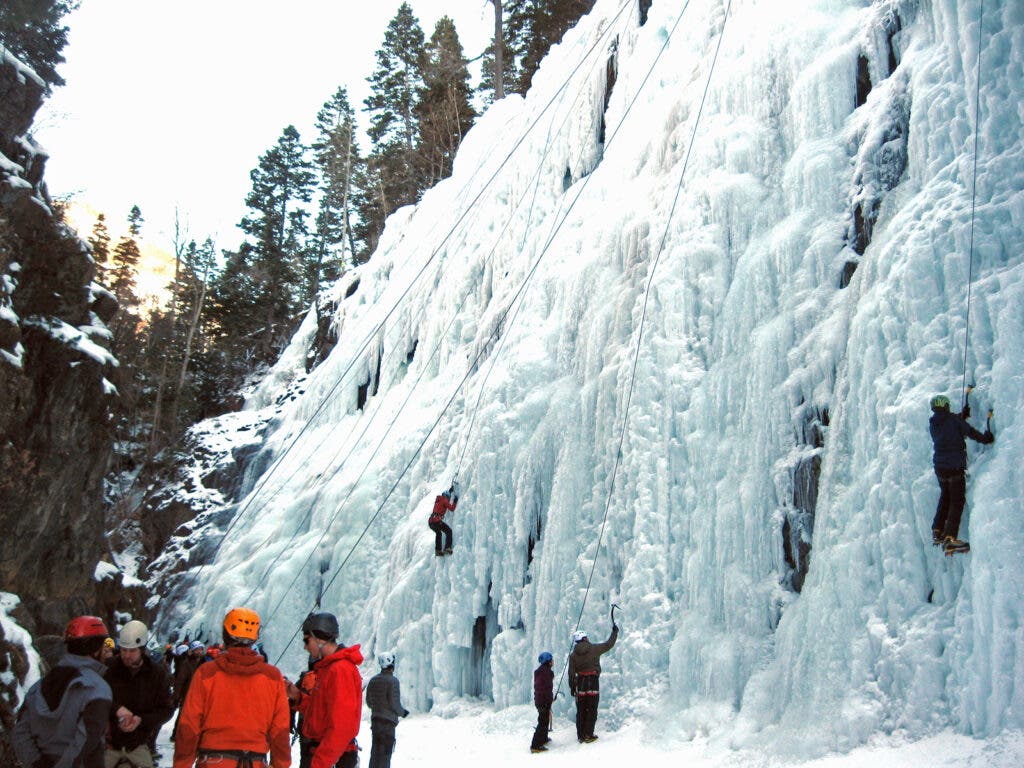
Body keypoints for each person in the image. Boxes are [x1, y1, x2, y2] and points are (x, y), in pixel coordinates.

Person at [172, 607, 291, 768]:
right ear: (254, 638)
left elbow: (189, 727)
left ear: (225, 635)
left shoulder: (206, 673)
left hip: (213, 761)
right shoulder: (273, 677)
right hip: (254, 762)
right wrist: (280, 765)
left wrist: (181, 764)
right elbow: (280, 732)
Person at [13, 615, 113, 768]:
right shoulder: (98, 689)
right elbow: (86, 742)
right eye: (103, 644)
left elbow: (20, 733)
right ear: (94, 648)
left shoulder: (38, 687)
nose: (106, 651)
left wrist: (37, 763)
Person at [286, 612, 363, 768]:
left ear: (319, 639)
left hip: (333, 759)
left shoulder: (340, 670)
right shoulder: (328, 669)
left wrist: (320, 763)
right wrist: (297, 697)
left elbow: (342, 726)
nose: (305, 647)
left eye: (307, 641)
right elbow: (322, 713)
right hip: (328, 756)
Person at [929, 394, 994, 553]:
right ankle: (950, 538)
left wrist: (961, 417)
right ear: (946, 406)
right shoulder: (953, 420)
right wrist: (986, 439)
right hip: (954, 467)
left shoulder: (934, 424)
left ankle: (937, 530)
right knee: (957, 500)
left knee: (946, 496)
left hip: (940, 468)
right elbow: (969, 432)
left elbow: (950, 426)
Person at [105, 620, 174, 768]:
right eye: (123, 650)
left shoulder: (157, 674)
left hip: (138, 745)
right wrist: (116, 709)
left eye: (132, 651)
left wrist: (141, 720)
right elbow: (96, 699)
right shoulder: (109, 669)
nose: (127, 655)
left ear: (142, 650)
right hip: (109, 745)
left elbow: (166, 709)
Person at [568, 622, 618, 743]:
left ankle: (580, 735)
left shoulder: (573, 655)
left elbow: (571, 673)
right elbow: (608, 644)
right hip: (592, 681)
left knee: (581, 710)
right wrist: (614, 632)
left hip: (580, 682)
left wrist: (572, 687)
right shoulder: (594, 649)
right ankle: (588, 734)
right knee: (591, 708)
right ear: (584, 638)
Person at [365, 652, 410, 768]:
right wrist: (403, 713)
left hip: (375, 722)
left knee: (375, 754)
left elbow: (369, 702)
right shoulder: (393, 681)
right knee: (385, 756)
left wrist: (378, 709)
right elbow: (394, 703)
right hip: (388, 724)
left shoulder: (373, 680)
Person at [530, 652, 554, 753]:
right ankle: (535, 745)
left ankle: (543, 738)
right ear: (548, 661)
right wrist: (550, 699)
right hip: (544, 700)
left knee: (544, 720)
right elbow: (546, 689)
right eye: (552, 660)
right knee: (543, 722)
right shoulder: (547, 672)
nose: (553, 661)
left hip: (539, 700)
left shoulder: (540, 671)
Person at [428, 483, 459, 556]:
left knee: (439, 533)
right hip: (436, 521)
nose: (448, 500)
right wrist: (455, 501)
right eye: (448, 498)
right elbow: (451, 508)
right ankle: (447, 548)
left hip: (431, 521)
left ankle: (438, 551)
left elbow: (445, 500)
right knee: (449, 531)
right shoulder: (445, 500)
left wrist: (450, 492)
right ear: (446, 497)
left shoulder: (439, 500)